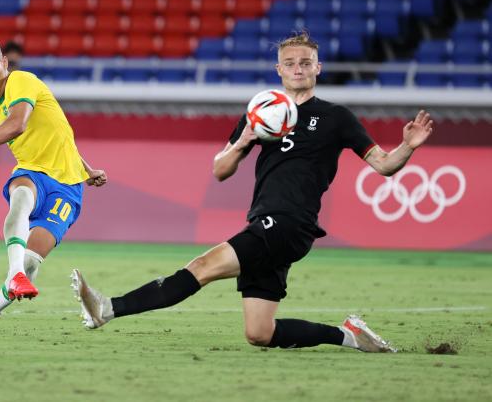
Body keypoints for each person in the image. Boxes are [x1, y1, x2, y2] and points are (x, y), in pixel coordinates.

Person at [71, 32, 434, 353]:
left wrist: (408, 147)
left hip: (291, 223)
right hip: (264, 221)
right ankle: (349, 336)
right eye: (289, 63)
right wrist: (246, 138)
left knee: (203, 267)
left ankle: (109, 308)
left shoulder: (335, 117)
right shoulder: (261, 113)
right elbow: (220, 171)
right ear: (278, 70)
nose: (297, 68)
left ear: (318, 68)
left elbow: (384, 165)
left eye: (305, 63)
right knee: (260, 333)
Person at [0, 39, 107, 333]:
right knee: (20, 196)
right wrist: (89, 168)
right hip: (34, 173)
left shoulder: (20, 80)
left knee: (31, 262)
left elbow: (18, 125)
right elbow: (58, 133)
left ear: (4, 63)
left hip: (67, 188)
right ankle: (15, 276)